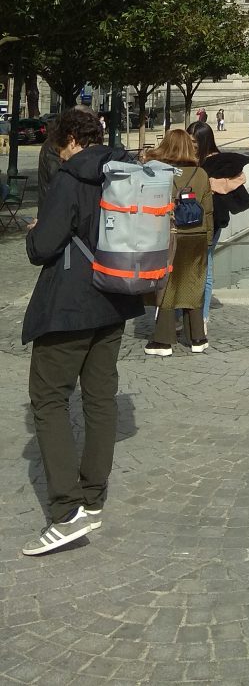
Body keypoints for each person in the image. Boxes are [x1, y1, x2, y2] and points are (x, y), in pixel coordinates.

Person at [21, 108, 144, 556]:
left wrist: (35, 233)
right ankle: (93, 495)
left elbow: (44, 248)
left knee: (49, 399)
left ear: (71, 138)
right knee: (99, 398)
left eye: (57, 142)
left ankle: (65, 511)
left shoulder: (71, 179)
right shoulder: (125, 172)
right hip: (114, 298)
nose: (57, 150)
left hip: (70, 305)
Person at [143, 129, 213, 358]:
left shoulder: (160, 173)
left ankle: (163, 341)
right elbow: (209, 211)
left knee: (168, 284)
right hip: (198, 236)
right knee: (194, 283)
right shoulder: (201, 174)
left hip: (171, 235)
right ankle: (197, 338)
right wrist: (208, 240)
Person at [187, 122, 249, 338]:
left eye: (194, 142)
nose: (191, 145)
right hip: (186, 221)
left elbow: (238, 179)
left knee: (206, 266)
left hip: (211, 221)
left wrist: (206, 184)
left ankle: (202, 318)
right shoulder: (188, 159)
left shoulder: (219, 162)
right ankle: (182, 314)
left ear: (204, 141)